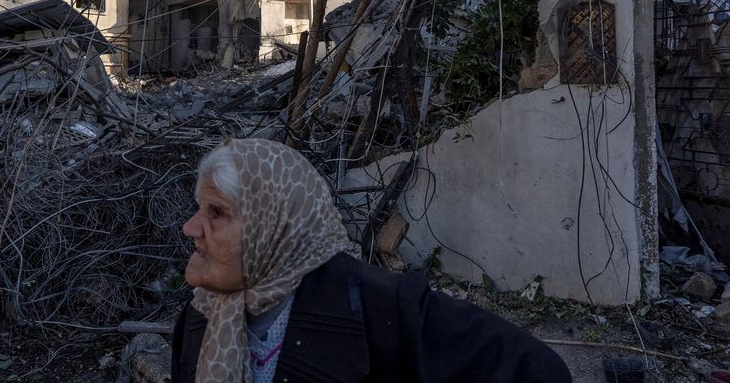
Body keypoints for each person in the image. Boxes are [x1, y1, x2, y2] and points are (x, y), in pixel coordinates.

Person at [171, 138, 572, 383]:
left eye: (216, 213)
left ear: (274, 225)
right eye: (199, 209)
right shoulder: (201, 318)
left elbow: (536, 371)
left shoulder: (380, 308)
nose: (191, 227)